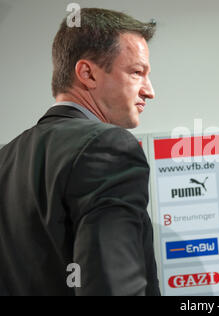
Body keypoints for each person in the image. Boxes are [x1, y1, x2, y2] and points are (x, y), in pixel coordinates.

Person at [0, 8, 160, 296]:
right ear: (87, 73)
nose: (149, 90)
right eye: (137, 72)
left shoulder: (5, 158)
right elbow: (113, 287)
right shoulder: (110, 147)